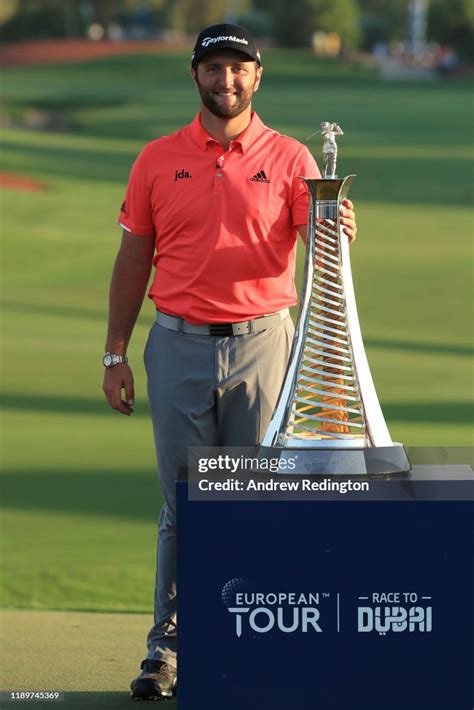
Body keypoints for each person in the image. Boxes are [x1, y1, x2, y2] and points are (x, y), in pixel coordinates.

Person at [102, 23, 357, 701]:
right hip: (177, 342)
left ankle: (251, 647)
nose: (227, 80)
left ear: (258, 75)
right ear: (195, 77)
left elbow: (319, 234)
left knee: (252, 501)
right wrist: (115, 352)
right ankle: (169, 654)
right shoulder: (156, 159)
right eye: (214, 69)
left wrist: (336, 224)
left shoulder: (292, 155)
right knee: (185, 507)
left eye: (238, 69)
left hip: (264, 344)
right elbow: (133, 260)